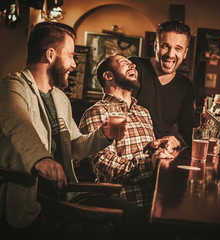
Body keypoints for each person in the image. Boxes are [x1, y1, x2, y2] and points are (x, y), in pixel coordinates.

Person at [0, 22, 127, 240]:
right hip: (27, 202)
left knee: (129, 218)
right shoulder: (12, 86)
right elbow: (19, 125)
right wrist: (42, 159)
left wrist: (102, 136)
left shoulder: (60, 98)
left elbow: (75, 148)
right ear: (51, 55)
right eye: (70, 55)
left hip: (65, 196)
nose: (74, 65)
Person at [79, 53, 180, 217]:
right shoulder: (99, 112)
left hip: (156, 198)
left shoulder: (143, 112)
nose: (133, 65)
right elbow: (104, 162)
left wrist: (160, 145)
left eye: (132, 64)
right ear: (108, 75)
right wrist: (150, 164)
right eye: (124, 63)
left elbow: (143, 153)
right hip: (124, 204)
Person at [129, 20, 196, 146]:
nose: (170, 54)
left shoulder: (186, 87)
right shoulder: (135, 67)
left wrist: (209, 144)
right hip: (126, 148)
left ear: (185, 53)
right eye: (165, 46)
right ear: (156, 46)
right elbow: (117, 111)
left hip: (157, 153)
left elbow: (187, 129)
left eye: (178, 48)